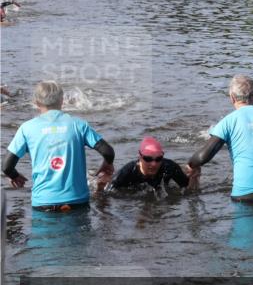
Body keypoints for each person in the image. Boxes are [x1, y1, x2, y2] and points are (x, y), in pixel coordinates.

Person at [2, 81, 115, 211]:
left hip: (43, 203)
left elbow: (6, 166)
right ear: (62, 101)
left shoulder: (26, 128)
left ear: (36, 102)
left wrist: (15, 176)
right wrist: (107, 164)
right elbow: (108, 151)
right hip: (77, 202)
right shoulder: (78, 125)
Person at [106, 136, 189, 192]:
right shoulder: (127, 172)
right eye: (148, 159)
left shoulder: (170, 167)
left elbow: (188, 188)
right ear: (140, 156)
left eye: (158, 159)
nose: (154, 164)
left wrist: (194, 178)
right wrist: (99, 187)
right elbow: (105, 194)